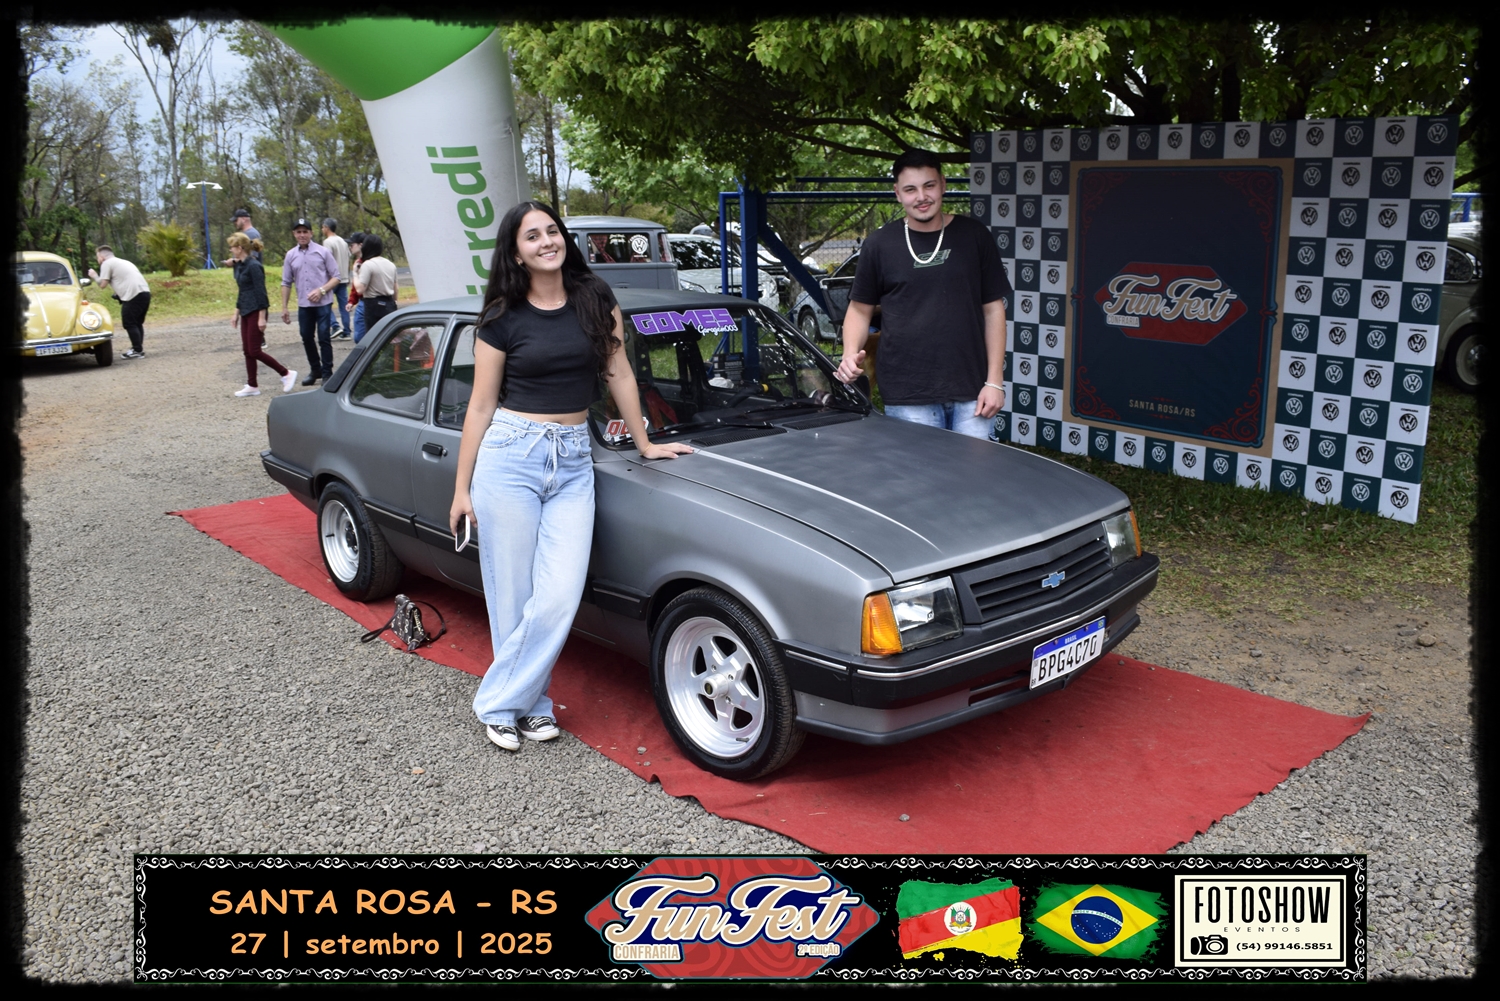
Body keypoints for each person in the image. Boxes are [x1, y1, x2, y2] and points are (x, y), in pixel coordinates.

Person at [447, 201, 693, 752]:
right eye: (532, 236)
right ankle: (528, 706)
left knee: (559, 595)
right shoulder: (501, 317)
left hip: (574, 459)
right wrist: (462, 489)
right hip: (511, 456)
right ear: (516, 252)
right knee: (512, 595)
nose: (546, 241)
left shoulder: (595, 297)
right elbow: (481, 406)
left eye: (551, 231)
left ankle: (498, 701)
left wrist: (645, 442)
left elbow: (618, 370)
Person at [834, 148, 1010, 438]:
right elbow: (859, 310)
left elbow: (993, 310)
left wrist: (994, 381)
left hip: (973, 390)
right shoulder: (879, 244)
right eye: (910, 189)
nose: (921, 196)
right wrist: (850, 354)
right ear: (897, 193)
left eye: (929, 185)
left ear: (943, 184)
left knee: (975, 469)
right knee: (918, 470)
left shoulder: (974, 235)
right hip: (907, 393)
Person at [227, 233, 296, 397]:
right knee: (247, 350)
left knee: (255, 350)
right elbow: (242, 291)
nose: (230, 250)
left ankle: (286, 373)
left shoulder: (254, 266)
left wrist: (262, 317)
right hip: (245, 310)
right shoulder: (240, 265)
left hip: (256, 310)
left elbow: (261, 293)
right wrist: (236, 313)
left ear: (239, 248)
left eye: (232, 247)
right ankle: (252, 385)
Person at [280, 217, 341, 385]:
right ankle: (316, 369)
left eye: (305, 232)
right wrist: (284, 307)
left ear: (311, 233)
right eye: (298, 232)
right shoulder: (291, 255)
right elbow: (286, 282)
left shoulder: (323, 252)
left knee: (324, 337)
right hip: (304, 304)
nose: (302, 235)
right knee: (306, 337)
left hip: (323, 303)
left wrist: (322, 290)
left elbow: (336, 277)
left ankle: (327, 372)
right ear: (294, 234)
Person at [87, 246, 150, 359]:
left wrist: (94, 275)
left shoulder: (106, 263)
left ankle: (137, 350)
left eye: (97, 257)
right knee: (137, 323)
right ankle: (138, 349)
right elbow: (125, 280)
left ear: (101, 257)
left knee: (129, 323)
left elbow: (102, 284)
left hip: (133, 295)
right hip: (145, 292)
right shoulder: (124, 262)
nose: (97, 260)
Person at [352, 232, 398, 332]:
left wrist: (355, 274)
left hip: (373, 305)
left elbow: (360, 289)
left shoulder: (368, 265)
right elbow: (395, 288)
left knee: (374, 335)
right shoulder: (391, 264)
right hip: (389, 303)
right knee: (389, 335)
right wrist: (394, 302)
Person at [321, 217, 351, 337]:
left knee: (324, 302)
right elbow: (348, 258)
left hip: (332, 278)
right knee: (344, 306)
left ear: (327, 228)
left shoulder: (328, 242)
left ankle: (334, 325)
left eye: (323, 227)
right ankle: (347, 331)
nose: (322, 229)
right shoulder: (343, 242)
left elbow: (326, 260)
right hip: (344, 277)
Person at [346, 232, 368, 343]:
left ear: (361, 245)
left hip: (370, 302)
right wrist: (352, 301)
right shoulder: (357, 262)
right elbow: (355, 286)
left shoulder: (369, 262)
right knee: (359, 337)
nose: (350, 247)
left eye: (352, 245)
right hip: (362, 302)